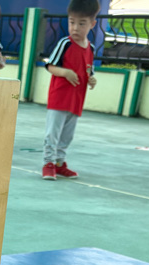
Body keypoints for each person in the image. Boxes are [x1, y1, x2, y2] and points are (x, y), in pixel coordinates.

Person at [41, 0, 99, 181]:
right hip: (59, 98)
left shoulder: (91, 48)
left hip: (76, 100)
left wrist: (91, 79)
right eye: (72, 22)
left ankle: (60, 163)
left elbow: (88, 70)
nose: (75, 28)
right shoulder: (65, 43)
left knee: (67, 135)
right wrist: (65, 72)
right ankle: (48, 163)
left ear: (92, 24)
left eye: (81, 23)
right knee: (53, 133)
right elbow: (50, 66)